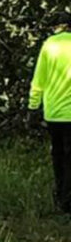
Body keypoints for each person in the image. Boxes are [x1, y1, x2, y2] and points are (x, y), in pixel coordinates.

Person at [29, 12, 71, 214]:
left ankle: (61, 198)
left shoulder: (49, 46)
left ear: (55, 27)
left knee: (58, 154)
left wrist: (32, 107)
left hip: (54, 112)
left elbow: (39, 81)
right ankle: (67, 199)